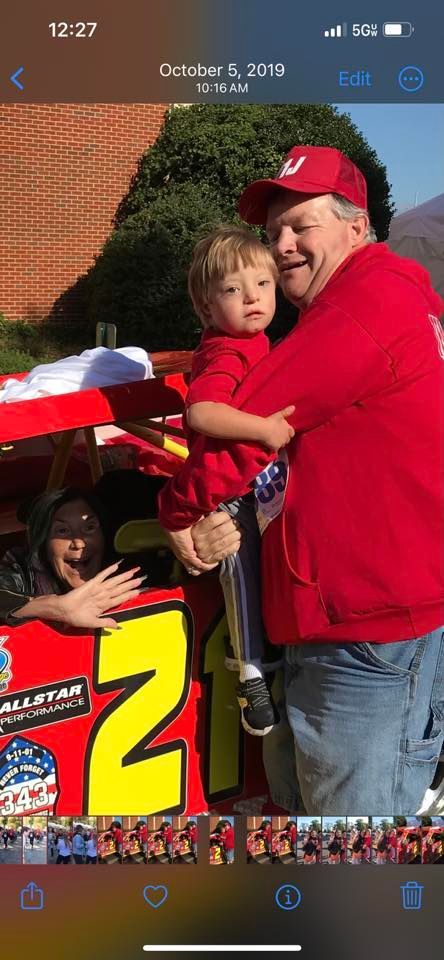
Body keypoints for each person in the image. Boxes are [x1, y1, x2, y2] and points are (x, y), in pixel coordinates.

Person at [158, 144, 444, 813]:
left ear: (357, 226)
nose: (282, 245)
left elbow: (250, 428)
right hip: (369, 619)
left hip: (360, 637)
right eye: (274, 230)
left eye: (301, 225)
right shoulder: (390, 292)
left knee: (353, 842)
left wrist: (176, 510)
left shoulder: (357, 309)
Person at [180, 226, 293, 735]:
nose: (252, 297)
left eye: (263, 284)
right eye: (232, 289)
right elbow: (203, 411)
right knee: (239, 566)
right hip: (225, 491)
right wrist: (265, 429)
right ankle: (250, 670)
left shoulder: (258, 342)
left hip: (250, 483)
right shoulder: (227, 352)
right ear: (207, 309)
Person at [0, 486, 145, 630]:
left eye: (89, 528)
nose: (78, 543)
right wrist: (54, 607)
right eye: (62, 531)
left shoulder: (128, 566)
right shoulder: (22, 567)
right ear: (44, 543)